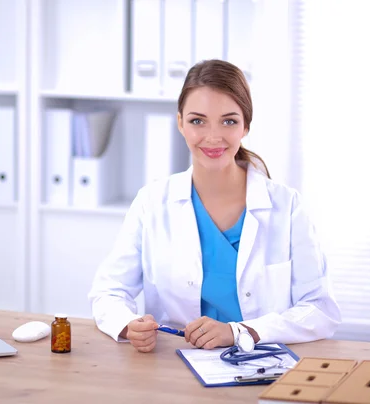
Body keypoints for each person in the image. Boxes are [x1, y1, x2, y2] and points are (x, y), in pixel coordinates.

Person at [88, 59, 341, 353]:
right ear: (180, 122)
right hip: (174, 364)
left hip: (261, 365)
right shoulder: (152, 202)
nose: (213, 136)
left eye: (229, 121)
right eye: (198, 121)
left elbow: (321, 309)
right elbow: (109, 291)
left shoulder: (288, 206)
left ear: (246, 125)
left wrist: (240, 332)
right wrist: (128, 324)